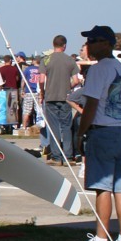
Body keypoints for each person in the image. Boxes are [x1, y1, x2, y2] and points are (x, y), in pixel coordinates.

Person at [73, 25, 121, 241]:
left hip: (102, 131)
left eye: (93, 40)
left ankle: (101, 239)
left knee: (102, 187)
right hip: (119, 133)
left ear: (106, 43)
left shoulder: (100, 69)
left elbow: (91, 103)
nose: (89, 45)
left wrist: (81, 132)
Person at [40, 35, 80, 163]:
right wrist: (67, 87)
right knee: (66, 127)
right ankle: (68, 156)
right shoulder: (70, 60)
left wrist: (42, 91)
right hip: (66, 97)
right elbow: (76, 80)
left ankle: (56, 156)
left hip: (50, 96)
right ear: (64, 46)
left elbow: (41, 79)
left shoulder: (46, 60)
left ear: (53, 45)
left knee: (54, 127)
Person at [0, 54, 20, 132]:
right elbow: (17, 79)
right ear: (10, 60)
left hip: (3, 90)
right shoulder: (14, 69)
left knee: (3, 108)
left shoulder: (1, 69)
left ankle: (4, 124)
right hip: (13, 89)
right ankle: (12, 125)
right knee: (12, 108)